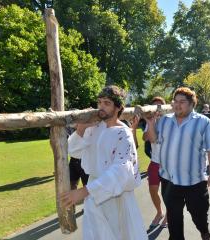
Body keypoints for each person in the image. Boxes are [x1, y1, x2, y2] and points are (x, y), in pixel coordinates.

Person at [61, 85, 147, 240]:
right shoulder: (94, 128)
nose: (101, 107)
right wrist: (81, 129)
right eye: (99, 102)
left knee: (119, 235)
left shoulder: (124, 134)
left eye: (106, 103)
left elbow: (121, 171)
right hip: (95, 193)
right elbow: (74, 152)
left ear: (118, 107)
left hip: (117, 197)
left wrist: (83, 191)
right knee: (96, 235)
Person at [146, 87, 210, 240]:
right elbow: (153, 139)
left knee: (199, 216)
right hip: (169, 181)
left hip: (195, 182)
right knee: (174, 222)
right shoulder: (165, 120)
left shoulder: (203, 122)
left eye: (182, 102)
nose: (177, 105)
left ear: (192, 104)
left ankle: (204, 232)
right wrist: (151, 122)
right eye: (175, 101)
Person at [142, 96, 167, 228]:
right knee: (153, 189)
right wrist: (151, 125)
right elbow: (146, 138)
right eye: (154, 106)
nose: (157, 109)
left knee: (169, 193)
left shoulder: (170, 120)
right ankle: (159, 212)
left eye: (159, 106)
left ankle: (168, 215)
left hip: (169, 163)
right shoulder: (150, 121)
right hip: (155, 161)